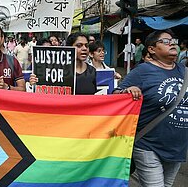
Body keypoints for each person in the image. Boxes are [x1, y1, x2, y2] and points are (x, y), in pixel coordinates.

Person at [114, 29, 188, 187]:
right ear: (152, 49)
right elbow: (115, 94)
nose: (172, 44)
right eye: (166, 42)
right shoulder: (142, 71)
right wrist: (127, 90)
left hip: (177, 147)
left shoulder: (185, 72)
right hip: (148, 145)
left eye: (174, 41)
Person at [29, 33, 97, 95]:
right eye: (79, 45)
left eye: (86, 45)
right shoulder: (57, 71)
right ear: (69, 48)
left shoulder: (92, 71)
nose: (84, 48)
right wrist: (35, 84)